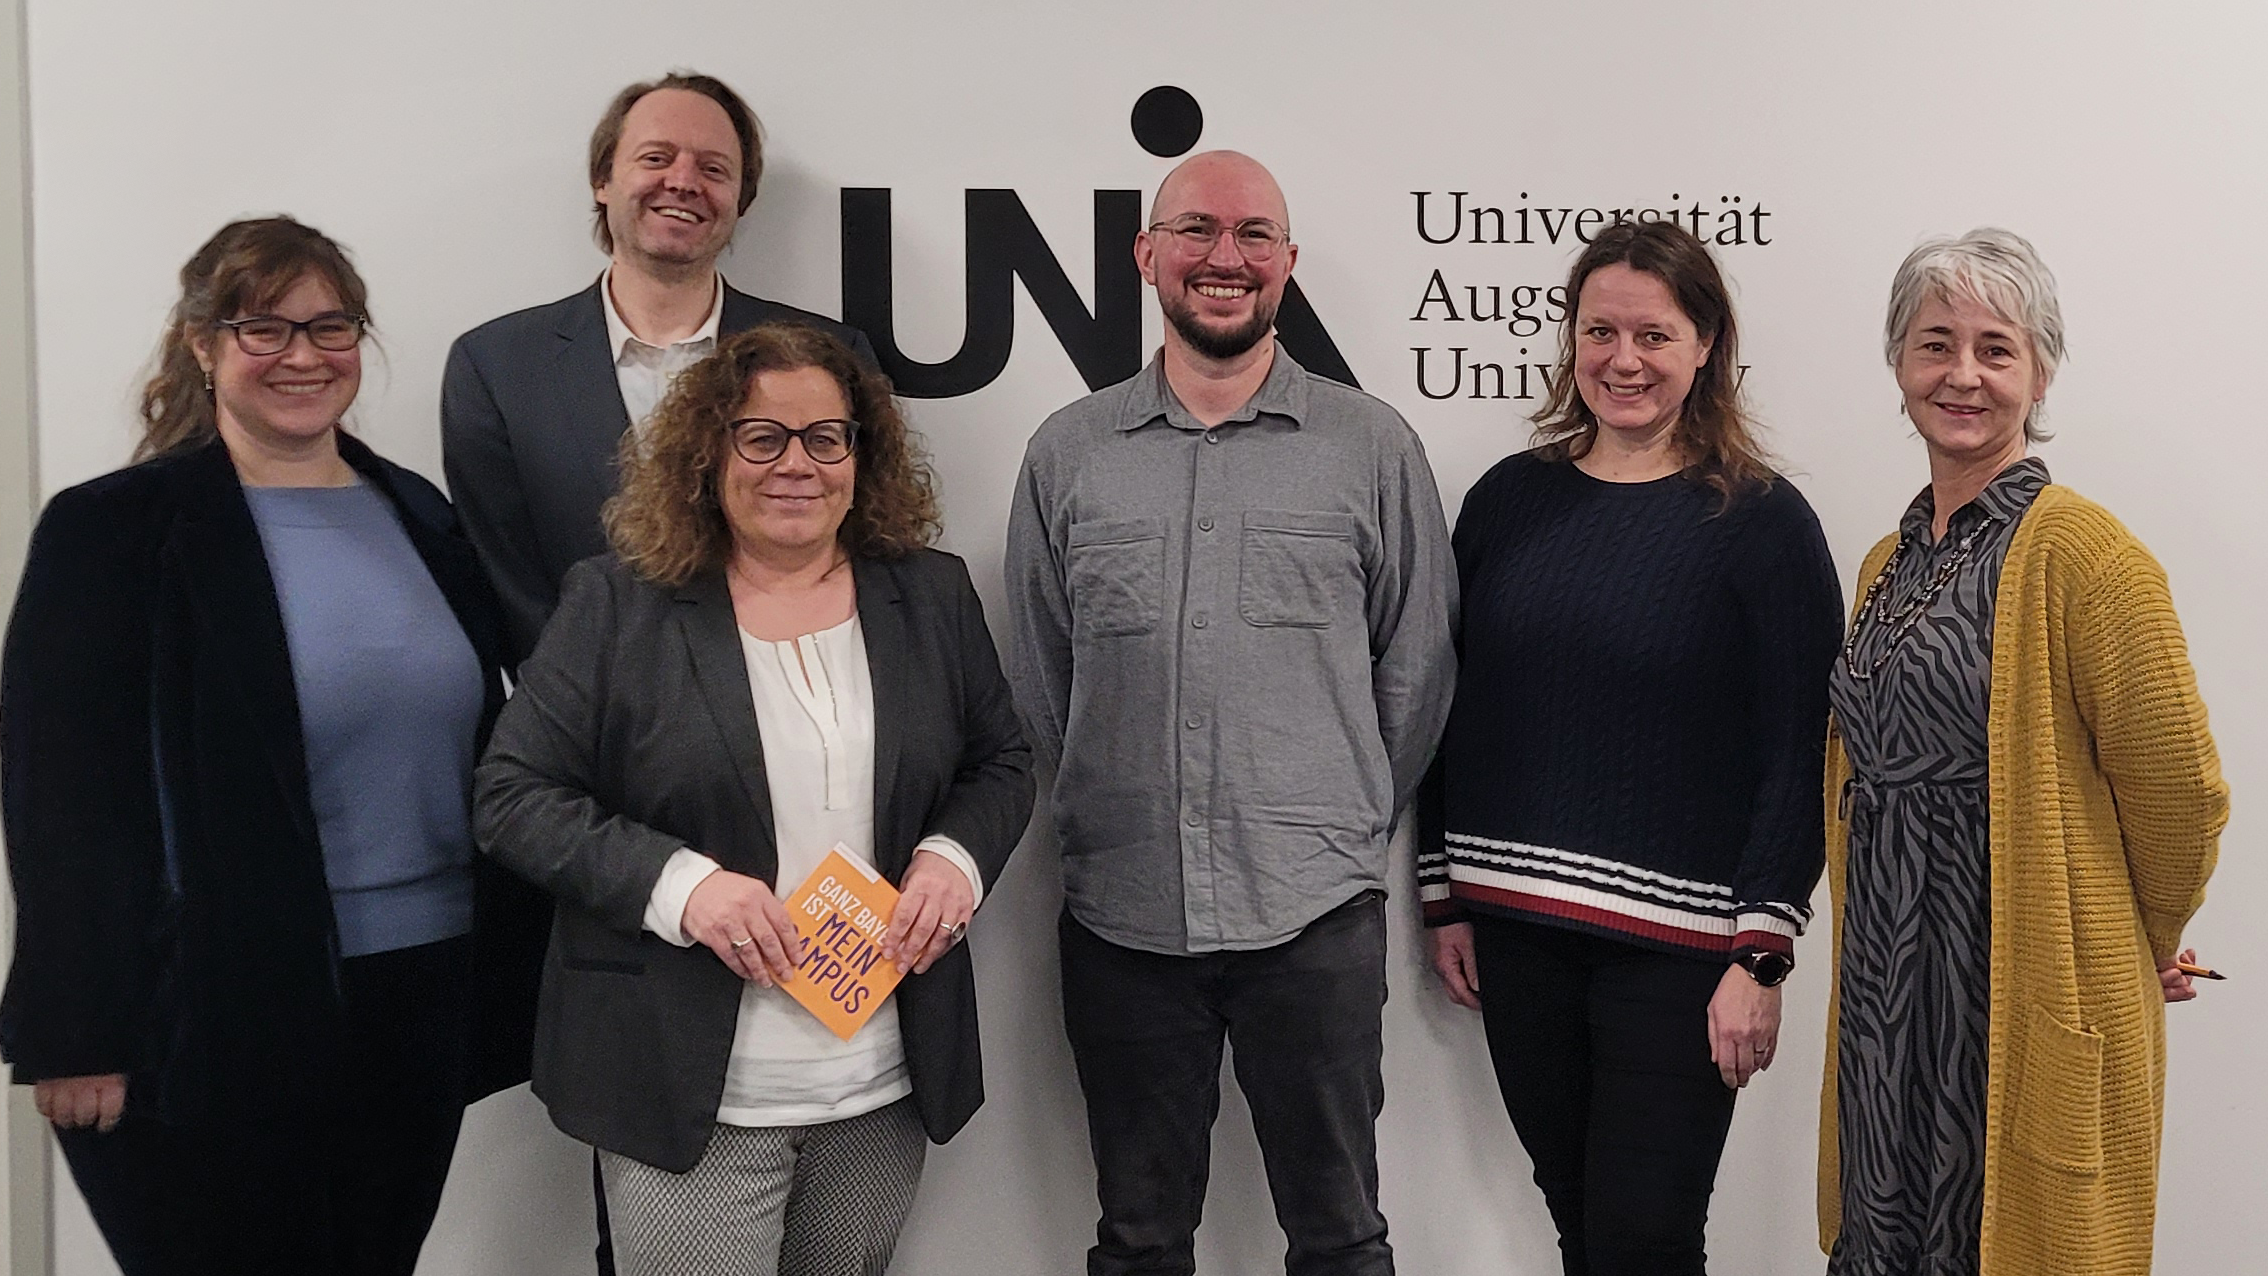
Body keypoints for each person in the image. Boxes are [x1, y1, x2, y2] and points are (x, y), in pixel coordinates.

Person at [0, 216, 546, 1275]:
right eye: (266, 328)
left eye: (330, 326)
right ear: (203, 345)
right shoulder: (115, 530)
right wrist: (77, 1029)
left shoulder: (418, 513)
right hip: (206, 1010)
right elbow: (59, 789)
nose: (304, 355)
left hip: (418, 996)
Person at [477, 322, 1030, 1276]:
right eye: (761, 436)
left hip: (878, 1080)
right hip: (690, 1086)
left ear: (863, 452)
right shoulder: (618, 603)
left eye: (827, 437)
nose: (797, 464)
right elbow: (513, 794)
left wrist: (956, 859)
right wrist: (683, 887)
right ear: (708, 450)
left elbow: (1002, 761)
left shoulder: (929, 595)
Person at [1004, 150, 1456, 1276]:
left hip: (1314, 916)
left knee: (1342, 1236)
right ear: (1147, 254)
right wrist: (1107, 809)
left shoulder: (1372, 447)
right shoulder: (1068, 453)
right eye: (1197, 230)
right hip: (1124, 914)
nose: (1226, 258)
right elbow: (1040, 674)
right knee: (1140, 1239)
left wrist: (1340, 817)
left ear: (1287, 264)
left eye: (1255, 235)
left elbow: (1417, 667)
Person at [1417, 219, 1844, 1276]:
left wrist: (1761, 949)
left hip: (1684, 951)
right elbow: (1453, 708)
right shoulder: (1509, 501)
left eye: (1654, 334)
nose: (1623, 359)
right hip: (1517, 932)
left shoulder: (1765, 523)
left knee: (1645, 1238)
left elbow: (1803, 751)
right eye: (1600, 330)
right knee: (1580, 1223)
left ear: (1706, 346)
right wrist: (1445, 894)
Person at [1818, 229, 2226, 1276]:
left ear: (2039, 370)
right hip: (1886, 994)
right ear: (1900, 366)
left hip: (2012, 985)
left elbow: (2182, 787)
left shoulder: (2086, 554)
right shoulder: (1887, 560)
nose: (1963, 375)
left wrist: (2140, 934)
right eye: (1935, 343)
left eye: (1995, 349)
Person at [443, 69, 876, 666]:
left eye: (713, 168)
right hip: (592, 731)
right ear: (603, 179)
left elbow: (866, 548)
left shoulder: (832, 356)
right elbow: (509, 587)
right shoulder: (496, 367)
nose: (683, 181)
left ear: (740, 200)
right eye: (656, 157)